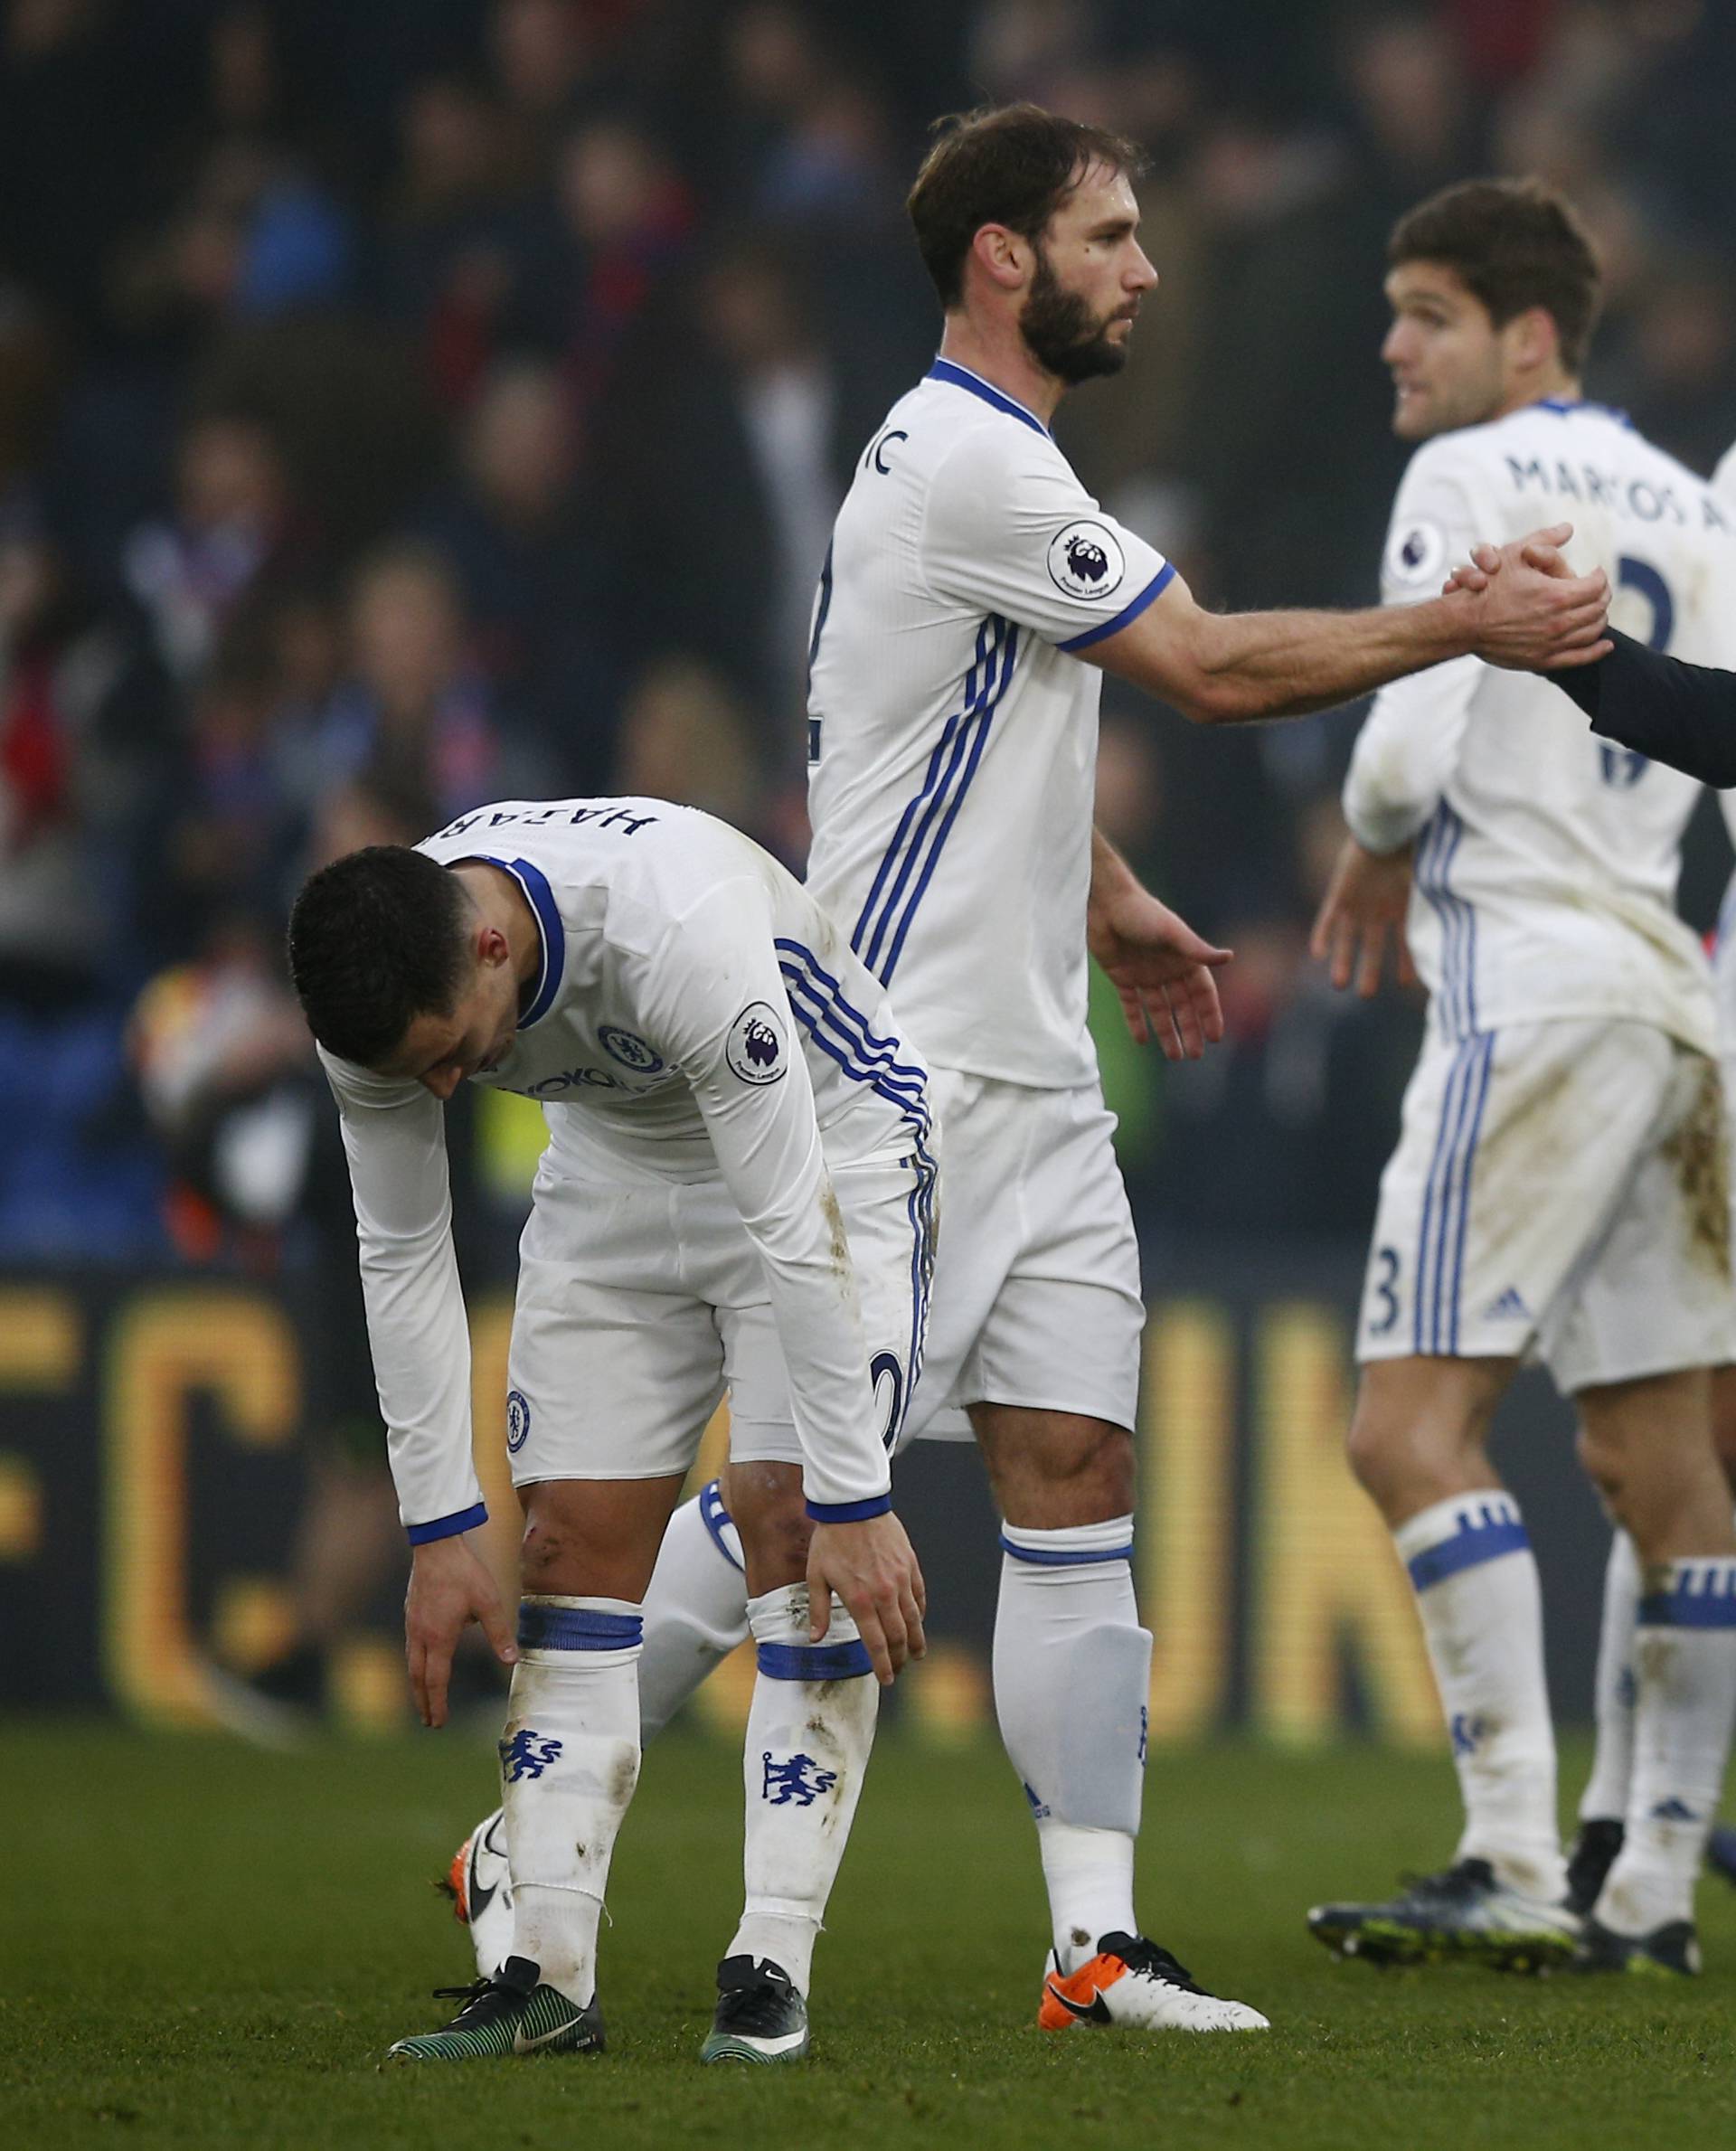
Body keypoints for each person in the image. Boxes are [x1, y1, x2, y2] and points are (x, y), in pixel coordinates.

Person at [444, 100, 1610, 2037]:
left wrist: (1111, 891)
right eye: (1112, 234)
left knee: (1077, 1473)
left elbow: (964, 737)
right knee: (801, 1510)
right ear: (1008, 255)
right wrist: (1463, 624)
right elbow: (1218, 668)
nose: (1145, 267)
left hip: (1039, 1072)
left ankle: (1092, 1938)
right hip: (900, 1067)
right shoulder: (960, 460)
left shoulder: (1002, 472)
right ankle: (524, 1829)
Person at [286, 795, 935, 2065]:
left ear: (490, 947)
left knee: (792, 1526)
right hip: (614, 1165)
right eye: (414, 1071)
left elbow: (793, 1220)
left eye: (448, 1054)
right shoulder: (373, 992)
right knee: (565, 1551)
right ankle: (544, 1978)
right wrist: (438, 1524)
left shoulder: (671, 922)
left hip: (824, 1140)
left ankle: (771, 1965)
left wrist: (858, 1501)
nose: (439, 1085)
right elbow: (404, 1245)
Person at [1304, 177, 1736, 1979]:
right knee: (1665, 1463)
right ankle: (1650, 1888)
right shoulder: (1702, 506)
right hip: (1671, 993)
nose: (1395, 346)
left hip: (1532, 990)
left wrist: (1371, 843)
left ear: (1527, 333)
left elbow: (1409, 737)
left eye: (1426, 312)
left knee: (1406, 1430)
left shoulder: (1467, 476)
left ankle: (1510, 1855)